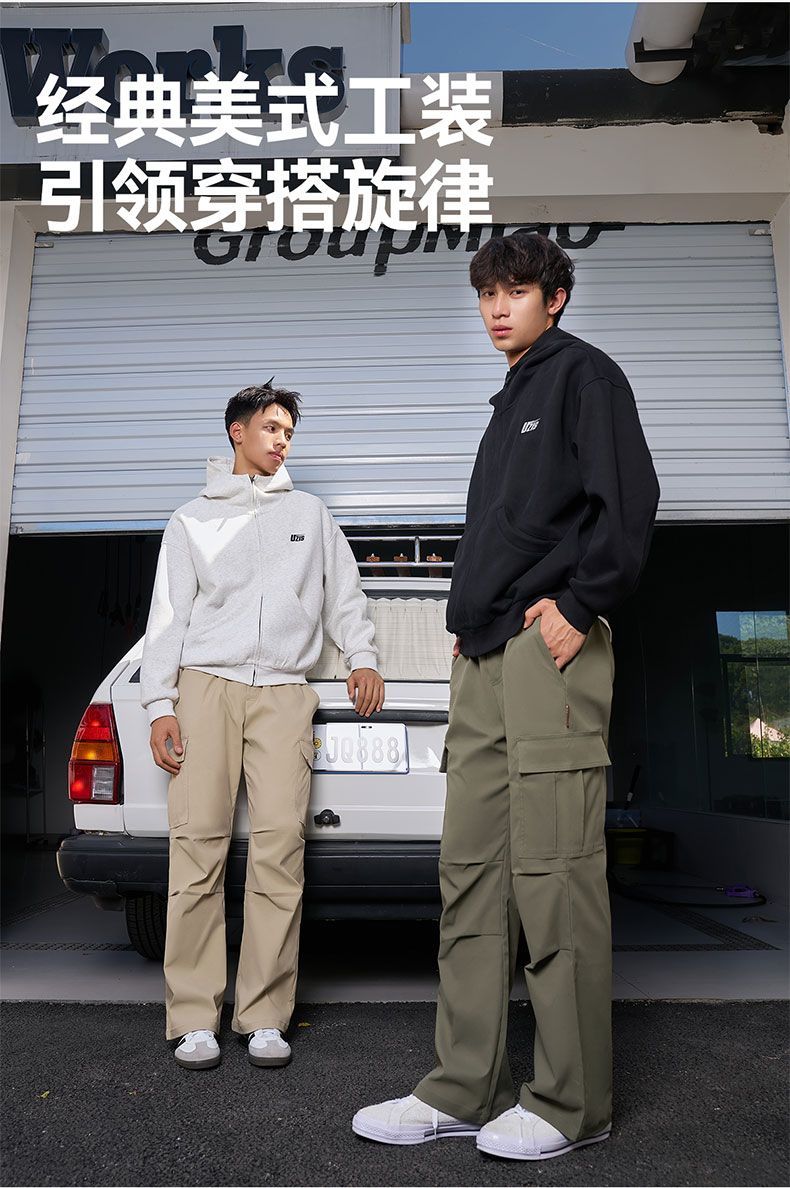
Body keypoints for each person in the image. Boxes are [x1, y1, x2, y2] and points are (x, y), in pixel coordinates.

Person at [353, 232, 660, 1159]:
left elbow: (629, 501)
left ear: (554, 298)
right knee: (472, 878)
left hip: (548, 654)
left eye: (516, 291)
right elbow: (506, 532)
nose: (497, 308)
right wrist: (471, 620)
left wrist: (580, 604)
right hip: (486, 656)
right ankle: (462, 1086)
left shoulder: (583, 377)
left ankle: (572, 1105)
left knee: (556, 876)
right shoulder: (511, 401)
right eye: (487, 293)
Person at [140, 381, 384, 1070]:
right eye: (271, 428)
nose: (282, 441)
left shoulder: (310, 514)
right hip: (205, 688)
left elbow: (345, 597)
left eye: (289, 433)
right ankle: (194, 1016)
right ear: (237, 432)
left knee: (280, 848)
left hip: (282, 690)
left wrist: (362, 657)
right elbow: (167, 619)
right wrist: (160, 705)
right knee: (197, 848)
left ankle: (265, 1016)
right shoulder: (191, 520)